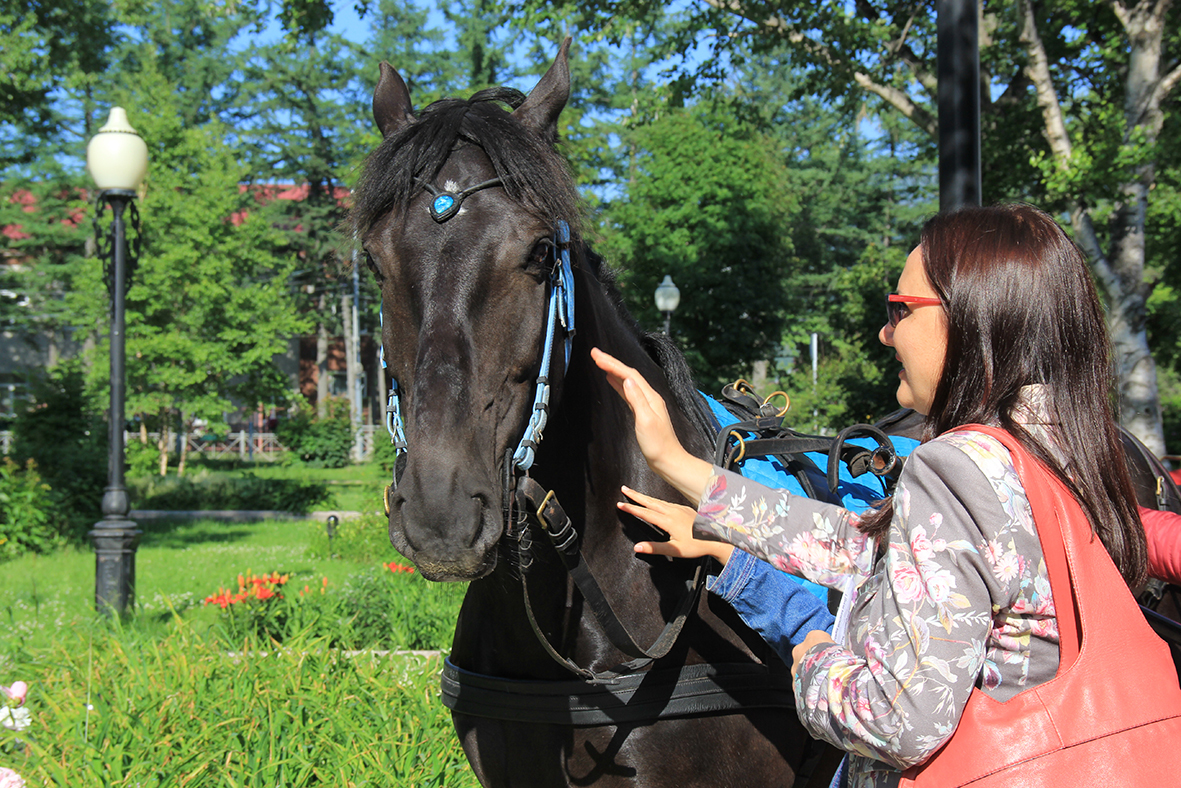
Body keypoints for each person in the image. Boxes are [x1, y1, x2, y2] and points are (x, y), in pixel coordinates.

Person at [592, 203, 1148, 788]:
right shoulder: (1059, 450)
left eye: (900, 310)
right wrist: (678, 466)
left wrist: (814, 661)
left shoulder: (956, 467)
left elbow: (897, 721)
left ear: (972, 318)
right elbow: (867, 546)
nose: (885, 333)